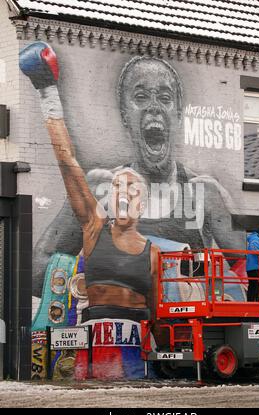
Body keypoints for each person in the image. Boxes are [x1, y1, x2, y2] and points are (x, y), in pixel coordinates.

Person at [29, 50, 246, 298]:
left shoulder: (204, 194)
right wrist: (92, 279)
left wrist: (213, 292)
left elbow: (250, 272)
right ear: (124, 114)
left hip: (176, 326)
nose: (153, 107)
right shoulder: (99, 188)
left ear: (177, 112)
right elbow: (37, 268)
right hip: (107, 320)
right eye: (141, 96)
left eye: (165, 97)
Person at [20, 42, 161, 378]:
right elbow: (67, 162)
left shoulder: (153, 253)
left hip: (136, 347)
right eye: (117, 187)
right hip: (94, 341)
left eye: (131, 187)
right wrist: (47, 91)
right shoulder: (94, 227)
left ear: (142, 203)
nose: (123, 191)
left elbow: (156, 309)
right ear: (109, 200)